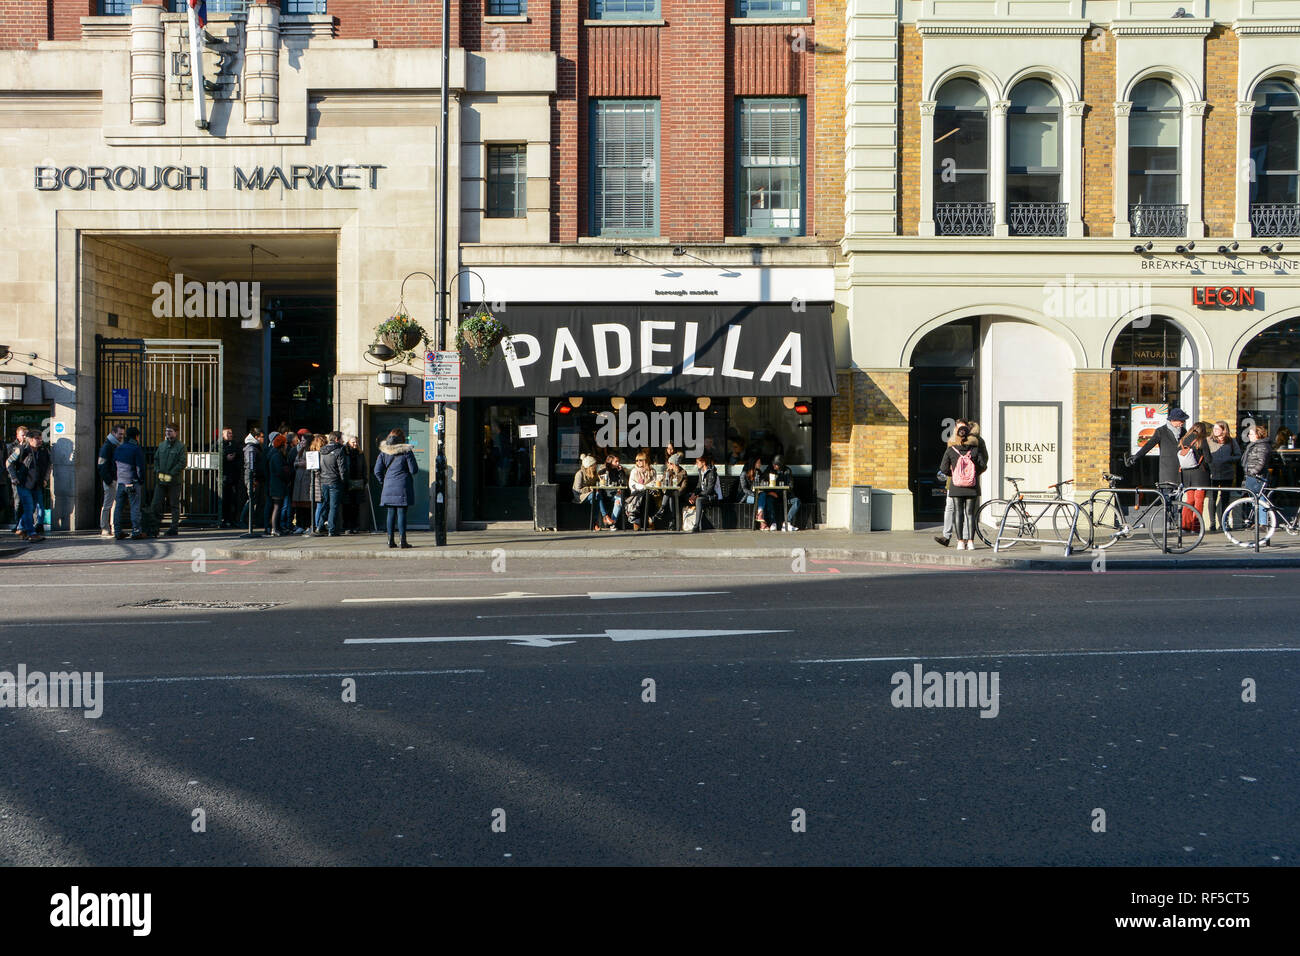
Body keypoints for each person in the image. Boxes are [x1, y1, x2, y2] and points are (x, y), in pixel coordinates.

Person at [939, 424, 987, 550]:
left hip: (956, 486)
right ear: (969, 434)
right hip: (972, 486)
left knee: (958, 512)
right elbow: (983, 465)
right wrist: (974, 475)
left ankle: (960, 542)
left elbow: (943, 468)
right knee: (970, 513)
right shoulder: (975, 450)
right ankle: (970, 542)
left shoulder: (950, 450)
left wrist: (954, 474)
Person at [374, 428, 419, 549]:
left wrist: (383, 482)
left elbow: (377, 471)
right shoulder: (406, 451)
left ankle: (390, 541)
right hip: (402, 486)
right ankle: (403, 541)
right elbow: (413, 470)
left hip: (388, 486)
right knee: (402, 513)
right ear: (402, 439)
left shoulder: (383, 452)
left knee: (390, 513)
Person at [7, 430, 51, 542]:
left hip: (37, 485)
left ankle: (21, 528)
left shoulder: (43, 451)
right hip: (23, 484)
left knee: (30, 510)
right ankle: (32, 533)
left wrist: (45, 479)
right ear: (30, 439)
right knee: (28, 508)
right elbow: (8, 462)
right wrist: (14, 477)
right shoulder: (22, 450)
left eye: (40, 438)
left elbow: (49, 464)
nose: (40, 440)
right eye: (37, 438)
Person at [1126, 407, 1188, 484]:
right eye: (1181, 420)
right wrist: (1136, 456)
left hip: (1181, 470)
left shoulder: (1184, 432)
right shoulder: (1161, 431)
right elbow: (1149, 445)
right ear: (1173, 420)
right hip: (1167, 471)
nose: (1183, 422)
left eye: (1184, 420)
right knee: (1167, 494)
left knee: (1180, 494)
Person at [150, 422, 187, 537]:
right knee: (156, 504)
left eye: (170, 431)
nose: (167, 433)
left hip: (174, 481)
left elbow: (182, 462)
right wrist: (157, 470)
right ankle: (153, 528)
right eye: (166, 431)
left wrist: (171, 473)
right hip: (160, 481)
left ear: (176, 433)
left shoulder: (181, 446)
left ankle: (174, 528)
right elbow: (156, 459)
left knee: (174, 505)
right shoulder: (161, 445)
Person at [1206, 420, 1241, 533]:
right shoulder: (1208, 441)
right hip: (1213, 474)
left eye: (1217, 429)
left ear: (1223, 430)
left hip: (1227, 473)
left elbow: (1238, 455)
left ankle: (1223, 522)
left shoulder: (1231, 441)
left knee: (1225, 498)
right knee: (1212, 498)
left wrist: (1229, 459)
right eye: (1214, 429)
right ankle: (1212, 523)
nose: (1214, 431)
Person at [1177, 421, 1211, 532]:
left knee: (1189, 500)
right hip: (1200, 475)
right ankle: (1196, 527)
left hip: (1186, 475)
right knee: (1199, 501)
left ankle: (1185, 526)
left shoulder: (1183, 440)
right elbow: (1208, 459)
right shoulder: (1201, 440)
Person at [1241, 424, 1274, 540]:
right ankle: (1258, 521)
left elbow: (1261, 462)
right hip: (1252, 476)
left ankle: (1263, 523)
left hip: (1257, 477)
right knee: (1254, 500)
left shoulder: (1262, 446)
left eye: (1251, 433)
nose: (1249, 435)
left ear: (1258, 435)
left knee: (1260, 500)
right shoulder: (1254, 445)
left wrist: (1253, 472)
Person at [113, 426, 146, 540]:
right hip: (132, 481)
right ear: (137, 436)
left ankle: (117, 531)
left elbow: (115, 464)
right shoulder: (136, 449)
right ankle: (136, 531)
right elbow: (140, 467)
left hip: (121, 482)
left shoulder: (119, 448)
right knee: (135, 507)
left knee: (118, 508)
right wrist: (141, 480)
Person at [97, 424, 124, 538]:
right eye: (120, 434)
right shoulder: (107, 446)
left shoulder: (114, 445)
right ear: (113, 433)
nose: (121, 436)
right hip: (111, 480)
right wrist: (108, 480)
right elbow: (101, 465)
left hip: (115, 479)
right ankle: (105, 528)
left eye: (123, 434)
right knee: (108, 505)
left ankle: (112, 527)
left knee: (114, 505)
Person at [649, 452, 687, 530]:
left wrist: (677, 492)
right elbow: (663, 482)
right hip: (669, 494)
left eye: (670, 463)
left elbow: (684, 486)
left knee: (670, 494)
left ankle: (660, 512)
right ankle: (672, 522)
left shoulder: (683, 473)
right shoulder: (668, 472)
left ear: (674, 464)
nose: (668, 464)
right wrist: (667, 473)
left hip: (679, 494)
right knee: (669, 495)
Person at [764, 455, 802, 531]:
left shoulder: (787, 471)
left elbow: (791, 485)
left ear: (780, 464)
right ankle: (773, 523)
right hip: (773, 495)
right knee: (768, 500)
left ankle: (786, 522)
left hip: (786, 496)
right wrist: (769, 492)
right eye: (773, 464)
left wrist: (781, 492)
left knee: (797, 501)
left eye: (776, 464)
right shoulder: (769, 469)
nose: (774, 466)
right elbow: (763, 481)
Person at [239, 428, 266, 531]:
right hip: (252, 477)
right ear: (256, 437)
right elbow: (250, 464)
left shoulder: (255, 447)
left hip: (255, 477)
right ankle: (243, 520)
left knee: (254, 499)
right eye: (262, 437)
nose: (263, 439)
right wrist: (252, 478)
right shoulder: (251, 448)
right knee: (251, 499)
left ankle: (250, 520)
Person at [687, 453, 721, 533]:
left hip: (713, 496)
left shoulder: (712, 472)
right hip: (703, 495)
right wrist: (693, 494)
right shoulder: (701, 471)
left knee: (698, 500)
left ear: (703, 462)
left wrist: (697, 496)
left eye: (698, 462)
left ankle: (696, 526)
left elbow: (710, 490)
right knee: (687, 496)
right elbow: (699, 485)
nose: (696, 464)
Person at [266, 433, 291, 536]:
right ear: (282, 444)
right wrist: (286, 474)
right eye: (285, 443)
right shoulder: (276, 455)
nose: (286, 445)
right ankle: (274, 528)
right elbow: (279, 471)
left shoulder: (277, 454)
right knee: (277, 506)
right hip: (277, 485)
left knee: (278, 507)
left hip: (278, 484)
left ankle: (277, 527)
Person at [218, 426, 242, 528]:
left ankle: (232, 519)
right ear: (222, 435)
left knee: (233, 499)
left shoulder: (235, 444)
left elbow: (240, 456)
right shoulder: (218, 445)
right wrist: (225, 458)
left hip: (234, 476)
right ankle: (222, 519)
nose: (230, 435)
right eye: (228, 433)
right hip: (223, 477)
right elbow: (214, 458)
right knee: (223, 500)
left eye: (231, 433)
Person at [626, 451, 656, 530]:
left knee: (648, 498)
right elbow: (631, 484)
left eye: (640, 460)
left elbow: (654, 483)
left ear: (645, 460)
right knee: (639, 498)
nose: (638, 462)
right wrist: (642, 487)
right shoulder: (634, 471)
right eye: (637, 460)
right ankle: (637, 521)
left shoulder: (652, 471)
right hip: (637, 493)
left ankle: (649, 519)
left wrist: (646, 487)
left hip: (649, 493)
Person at [596, 453, 627, 529]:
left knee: (619, 499)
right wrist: (606, 471)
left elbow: (623, 483)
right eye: (616, 461)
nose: (618, 463)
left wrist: (621, 472)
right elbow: (598, 480)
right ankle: (610, 521)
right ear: (610, 462)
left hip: (614, 494)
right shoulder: (603, 470)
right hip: (604, 493)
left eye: (618, 461)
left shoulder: (619, 470)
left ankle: (613, 522)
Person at [6, 425, 27, 533]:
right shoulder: (12, 447)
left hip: (27, 479)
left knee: (29, 502)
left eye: (26, 435)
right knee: (18, 502)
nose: (25, 437)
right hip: (16, 479)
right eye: (23, 435)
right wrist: (13, 477)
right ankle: (17, 524)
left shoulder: (29, 446)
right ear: (17, 436)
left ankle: (27, 524)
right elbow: (9, 463)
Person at [344, 435, 366, 534]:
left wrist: (365, 479)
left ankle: (355, 526)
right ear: (348, 442)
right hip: (347, 483)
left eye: (356, 442)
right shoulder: (344, 453)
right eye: (353, 442)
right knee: (347, 505)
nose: (355, 444)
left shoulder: (360, 454)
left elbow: (364, 467)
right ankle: (347, 526)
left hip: (358, 482)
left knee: (356, 506)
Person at [573, 454, 600, 529]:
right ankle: (601, 519)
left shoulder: (594, 474)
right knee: (597, 497)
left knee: (596, 498)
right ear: (589, 466)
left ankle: (595, 523)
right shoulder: (580, 474)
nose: (596, 466)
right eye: (594, 464)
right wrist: (589, 489)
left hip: (592, 495)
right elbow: (577, 489)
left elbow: (598, 484)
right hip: (580, 496)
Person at [739, 456, 765, 528]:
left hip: (757, 495)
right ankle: (762, 523)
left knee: (763, 496)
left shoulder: (759, 473)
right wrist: (754, 494)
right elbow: (744, 489)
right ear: (754, 463)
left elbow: (762, 485)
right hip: (746, 496)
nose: (760, 464)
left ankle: (760, 517)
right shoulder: (744, 474)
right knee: (761, 499)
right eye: (759, 462)